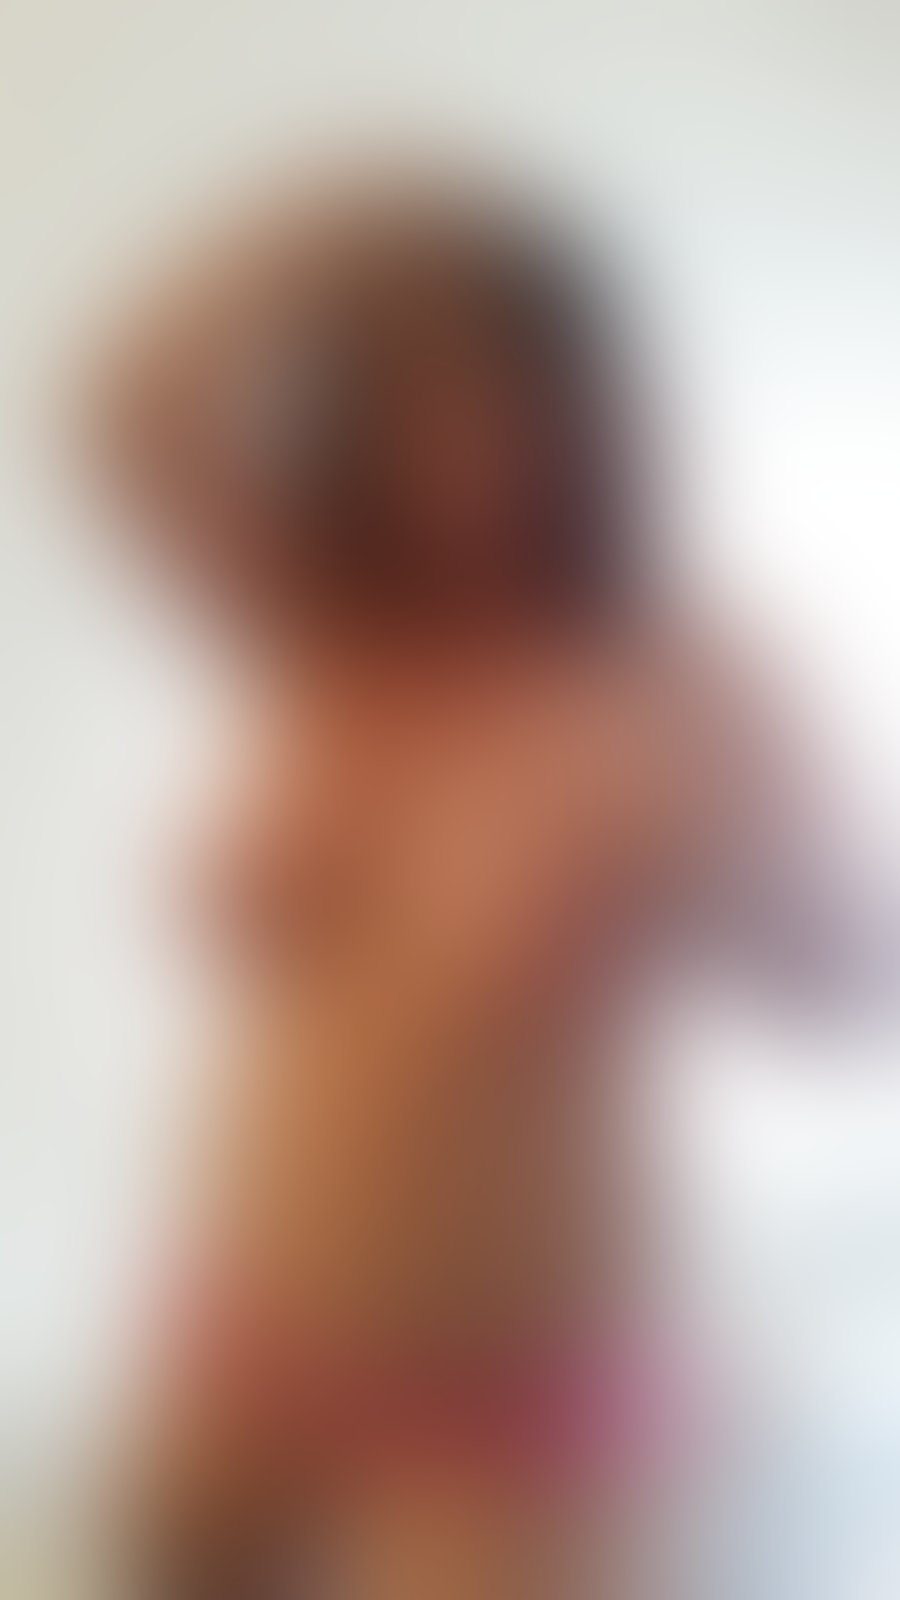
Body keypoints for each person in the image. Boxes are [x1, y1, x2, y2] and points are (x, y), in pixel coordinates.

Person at [81, 173, 892, 1599]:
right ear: (357, 425)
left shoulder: (693, 671)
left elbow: (852, 980)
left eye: (509, 389)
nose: (466, 444)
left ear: (588, 409)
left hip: (514, 1394)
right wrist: (363, 221)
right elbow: (124, 409)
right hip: (250, 1319)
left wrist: (700, 846)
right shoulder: (327, 621)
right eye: (415, 395)